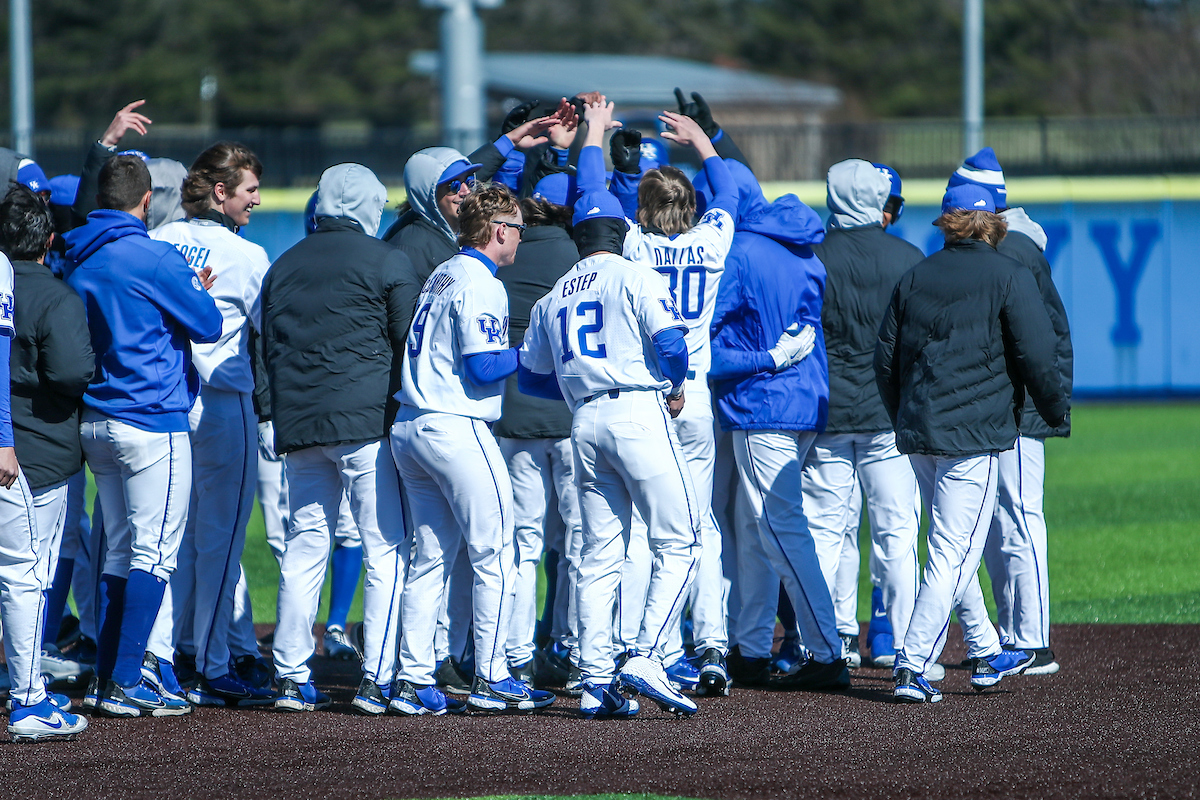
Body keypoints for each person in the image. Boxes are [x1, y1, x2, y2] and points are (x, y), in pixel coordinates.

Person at [519, 98, 699, 719]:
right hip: (636, 411)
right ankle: (646, 655)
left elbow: (534, 378)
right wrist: (674, 383)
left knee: (599, 553)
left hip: (584, 420)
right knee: (681, 540)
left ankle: (594, 675)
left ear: (577, 235)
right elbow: (671, 342)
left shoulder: (554, 295)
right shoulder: (632, 273)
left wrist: (576, 395)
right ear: (620, 233)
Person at [875, 183, 1069, 704]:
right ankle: (912, 663)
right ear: (993, 221)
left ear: (947, 220)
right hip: (974, 436)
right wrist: (1054, 410)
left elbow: (885, 360)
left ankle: (984, 648)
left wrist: (904, 417)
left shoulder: (917, 273)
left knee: (949, 546)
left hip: (919, 432)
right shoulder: (1008, 273)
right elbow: (1037, 353)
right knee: (952, 553)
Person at [581, 99, 739, 696]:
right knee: (698, 527)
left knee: (649, 533)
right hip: (695, 397)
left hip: (651, 397)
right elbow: (729, 196)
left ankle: (656, 649)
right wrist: (702, 140)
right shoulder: (714, 241)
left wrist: (594, 133)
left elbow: (594, 191)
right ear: (690, 206)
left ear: (641, 208)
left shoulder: (632, 247)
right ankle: (712, 645)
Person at [66, 154, 223, 717]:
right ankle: (127, 679)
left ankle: (109, 673)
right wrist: (194, 291)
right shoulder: (156, 254)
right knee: (155, 555)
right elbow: (208, 324)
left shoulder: (77, 253)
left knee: (119, 553)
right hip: (151, 419)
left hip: (96, 420)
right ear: (145, 199)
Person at [390, 182, 554, 715]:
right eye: (518, 230)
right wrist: (530, 348)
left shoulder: (444, 271)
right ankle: (493, 674)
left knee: (431, 557)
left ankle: (413, 678)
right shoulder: (481, 280)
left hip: (412, 424)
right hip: (454, 427)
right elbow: (485, 367)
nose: (520, 240)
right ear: (500, 229)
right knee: (496, 552)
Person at [261, 163, 409, 715]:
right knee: (383, 546)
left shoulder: (284, 263)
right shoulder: (387, 259)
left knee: (304, 548)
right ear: (370, 205)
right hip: (364, 422)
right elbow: (405, 343)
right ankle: (378, 675)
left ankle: (290, 674)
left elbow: (266, 347)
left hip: (299, 424)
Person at [704, 159, 850, 693]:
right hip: (806, 400)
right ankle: (749, 647)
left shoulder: (740, 251)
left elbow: (704, 346)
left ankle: (828, 649)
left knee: (778, 527)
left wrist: (748, 362)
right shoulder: (804, 249)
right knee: (758, 527)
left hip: (761, 403)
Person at [144, 142, 275, 707]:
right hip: (222, 403)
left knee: (169, 539)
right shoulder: (248, 256)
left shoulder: (159, 241)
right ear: (220, 193)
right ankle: (212, 664)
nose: (258, 199)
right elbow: (269, 333)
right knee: (219, 541)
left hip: (167, 403)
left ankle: (159, 657)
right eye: (248, 190)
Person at [947, 148, 1073, 676]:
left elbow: (1036, 342)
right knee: (1002, 520)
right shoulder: (1010, 245)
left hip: (1018, 406)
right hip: (1002, 403)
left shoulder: (1014, 249)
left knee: (1019, 515)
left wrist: (1041, 406)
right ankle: (1017, 635)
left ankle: (1035, 641)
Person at [805, 159, 925, 672]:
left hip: (828, 411)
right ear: (879, 201)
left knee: (825, 535)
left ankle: (827, 645)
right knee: (897, 534)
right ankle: (903, 646)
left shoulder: (814, 256)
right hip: (888, 415)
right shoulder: (908, 257)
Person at [0, 190, 91, 742]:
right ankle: (29, 696)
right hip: (32, 452)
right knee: (26, 575)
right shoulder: (57, 298)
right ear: (49, 241)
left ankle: (29, 685)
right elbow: (73, 374)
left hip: (20, 445)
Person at [493, 171, 584, 686]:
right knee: (577, 540)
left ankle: (517, 652)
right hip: (570, 409)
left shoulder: (508, 248)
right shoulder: (580, 252)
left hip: (516, 407)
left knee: (522, 542)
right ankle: (571, 648)